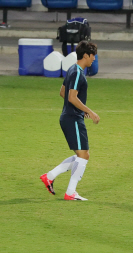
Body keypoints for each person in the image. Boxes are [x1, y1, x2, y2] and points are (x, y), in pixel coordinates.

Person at [40, 41, 99, 201]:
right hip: (72, 119)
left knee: (82, 155)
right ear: (86, 55)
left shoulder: (72, 69)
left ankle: (50, 176)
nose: (94, 59)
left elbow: (63, 92)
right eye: (93, 55)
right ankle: (70, 192)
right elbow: (71, 97)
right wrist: (89, 111)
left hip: (70, 117)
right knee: (84, 155)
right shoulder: (78, 73)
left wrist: (80, 108)